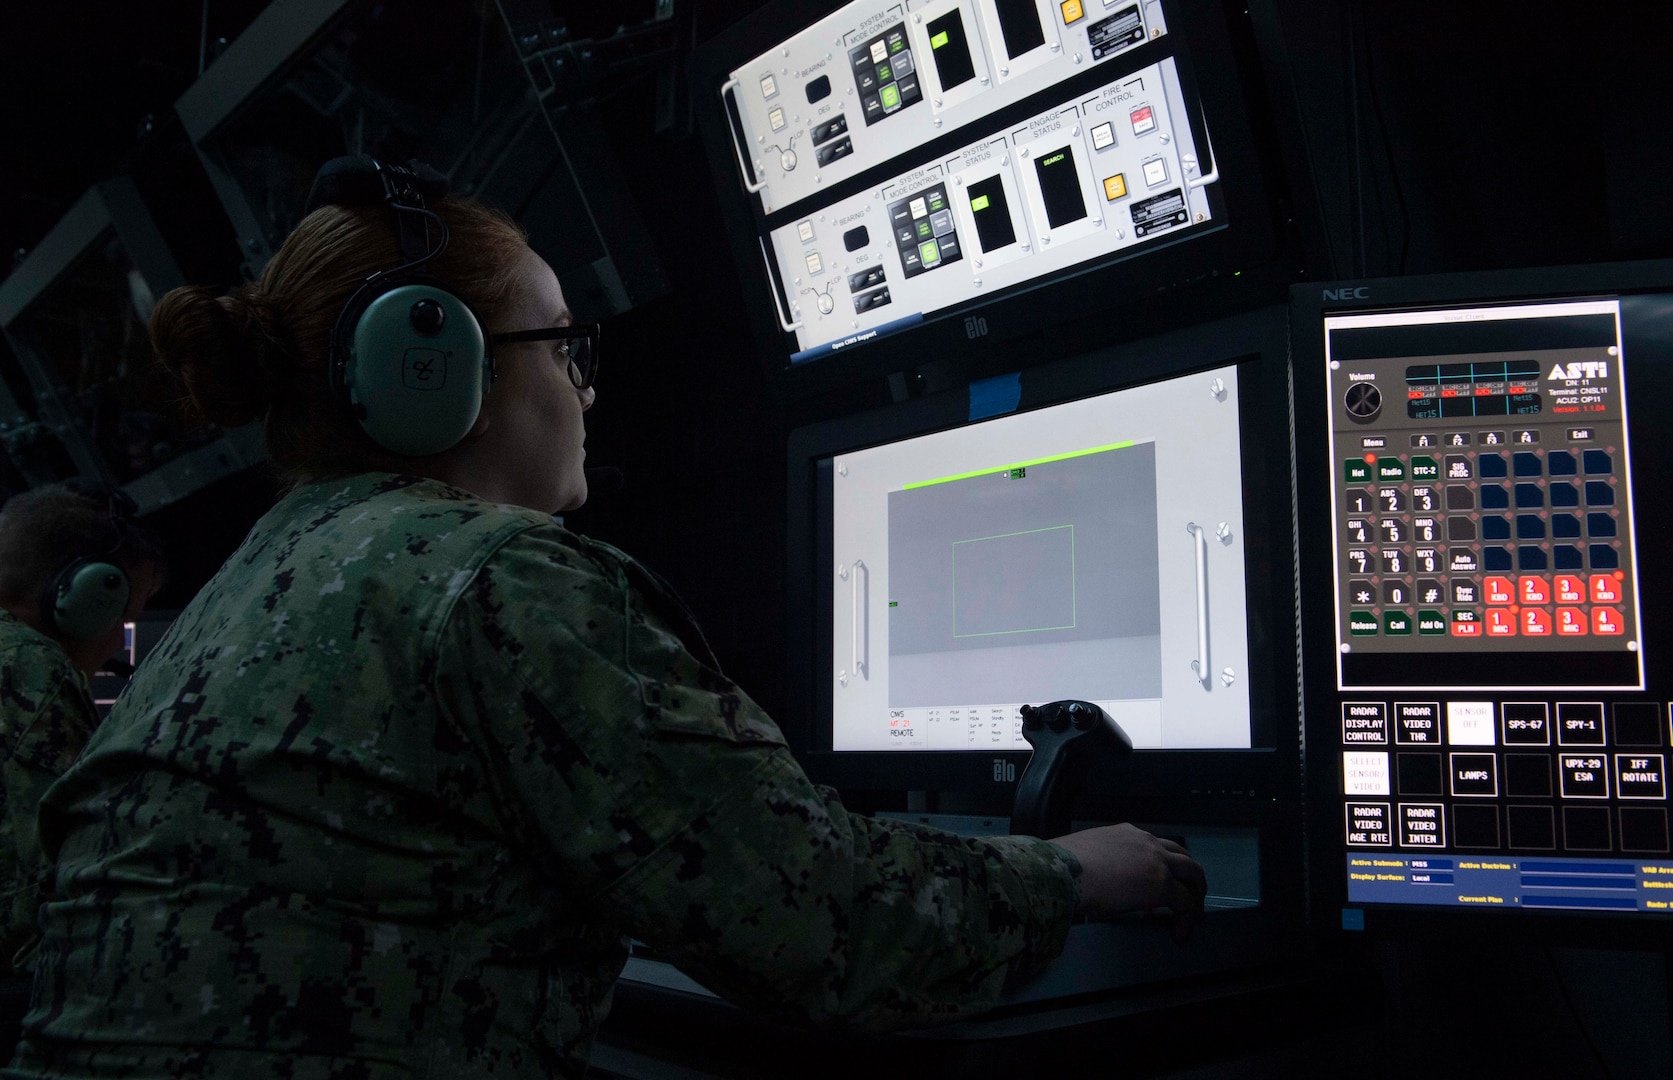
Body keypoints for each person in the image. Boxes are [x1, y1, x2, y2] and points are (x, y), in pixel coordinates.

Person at [4, 158, 1204, 1079]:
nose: (585, 387)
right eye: (562, 345)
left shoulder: (237, 598)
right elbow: (828, 928)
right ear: (438, 369)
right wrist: (1070, 873)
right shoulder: (498, 579)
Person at [0, 481, 164, 1050]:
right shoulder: (31, 672)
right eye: (124, 617)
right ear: (81, 596)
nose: (121, 644)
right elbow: (55, 888)